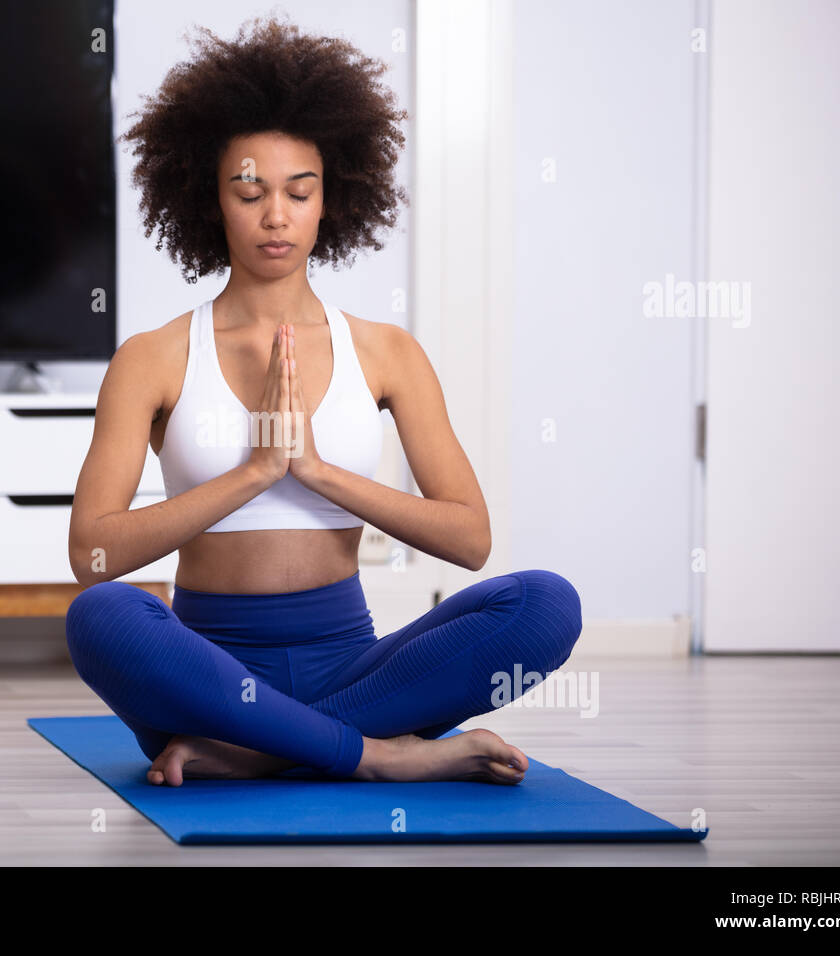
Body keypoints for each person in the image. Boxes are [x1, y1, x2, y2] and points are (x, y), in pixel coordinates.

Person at [66, 15, 582, 786]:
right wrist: (253, 471)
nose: (276, 215)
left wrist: (314, 469)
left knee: (546, 604)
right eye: (250, 192)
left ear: (328, 203)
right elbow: (92, 554)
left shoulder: (386, 352)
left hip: (360, 672)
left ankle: (258, 751)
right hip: (207, 676)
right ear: (211, 202)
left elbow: (471, 540)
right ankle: (371, 756)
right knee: (100, 617)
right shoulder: (152, 357)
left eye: (298, 193)